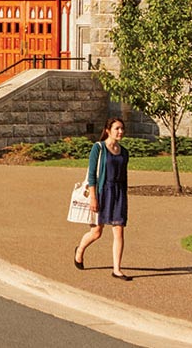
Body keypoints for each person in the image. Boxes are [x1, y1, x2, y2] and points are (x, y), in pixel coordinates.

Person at [72, 118, 132, 280]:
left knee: (119, 230)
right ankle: (80, 250)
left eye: (122, 129)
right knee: (97, 232)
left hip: (118, 193)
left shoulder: (124, 152)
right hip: (101, 192)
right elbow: (92, 174)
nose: (120, 132)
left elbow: (124, 176)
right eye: (117, 128)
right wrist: (93, 197)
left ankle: (117, 269)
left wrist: (124, 196)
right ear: (108, 130)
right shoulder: (98, 148)